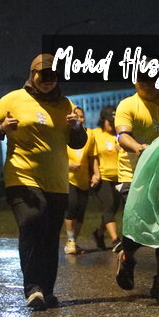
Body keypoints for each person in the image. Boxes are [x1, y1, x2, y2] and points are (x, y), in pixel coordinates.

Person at [0, 53, 87, 310]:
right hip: (21, 175)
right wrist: (1, 128)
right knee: (32, 219)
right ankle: (33, 288)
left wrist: (77, 127)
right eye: (43, 75)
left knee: (50, 234)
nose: (49, 80)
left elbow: (78, 143)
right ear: (32, 74)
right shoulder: (14, 98)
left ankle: (46, 291)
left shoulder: (65, 104)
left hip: (57, 181)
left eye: (53, 76)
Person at [114, 74, 159, 296]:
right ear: (134, 82)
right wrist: (138, 148)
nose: (147, 84)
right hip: (133, 174)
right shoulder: (127, 105)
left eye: (151, 79)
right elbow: (122, 135)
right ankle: (127, 257)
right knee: (139, 224)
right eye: (142, 79)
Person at [63, 106, 97, 255]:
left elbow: (93, 157)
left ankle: (74, 242)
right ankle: (70, 240)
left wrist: (96, 174)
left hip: (84, 179)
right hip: (68, 178)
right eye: (77, 116)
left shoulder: (90, 134)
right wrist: (68, 166)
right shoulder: (64, 134)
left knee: (81, 211)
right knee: (71, 207)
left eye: (82, 116)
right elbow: (57, 156)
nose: (80, 119)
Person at [89, 105, 122, 251]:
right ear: (103, 120)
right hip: (103, 177)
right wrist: (95, 173)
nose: (112, 125)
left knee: (113, 208)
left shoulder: (120, 135)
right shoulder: (95, 134)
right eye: (110, 121)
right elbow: (92, 156)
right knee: (109, 205)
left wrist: (123, 149)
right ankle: (115, 240)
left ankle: (99, 233)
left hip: (119, 176)